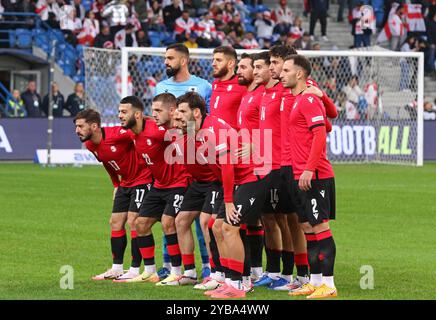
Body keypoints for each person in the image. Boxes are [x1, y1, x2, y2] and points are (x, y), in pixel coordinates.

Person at [176, 91, 268, 298]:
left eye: (183, 111)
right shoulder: (198, 131)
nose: (178, 115)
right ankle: (229, 281)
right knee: (216, 226)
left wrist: (228, 201)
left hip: (251, 177)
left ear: (196, 113)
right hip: (237, 180)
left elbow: (227, 166)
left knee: (228, 227)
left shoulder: (211, 130)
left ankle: (238, 285)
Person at [280, 54, 338, 299]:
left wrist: (309, 168)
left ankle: (329, 284)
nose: (281, 74)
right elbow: (329, 123)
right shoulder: (298, 99)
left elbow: (320, 135)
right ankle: (314, 282)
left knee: (320, 227)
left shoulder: (308, 100)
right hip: (298, 174)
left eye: (285, 70)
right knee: (307, 227)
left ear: (300, 74)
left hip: (314, 175)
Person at [154, 43, 213, 280]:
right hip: (172, 158)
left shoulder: (203, 86)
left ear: (184, 60)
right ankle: (170, 265)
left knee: (201, 220)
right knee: (171, 216)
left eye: (170, 58)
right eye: (165, 58)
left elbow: (205, 119)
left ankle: (209, 265)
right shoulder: (161, 86)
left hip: (196, 156)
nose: (166, 62)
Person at [74, 108, 153, 282]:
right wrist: (116, 184)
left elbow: (138, 133)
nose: (77, 130)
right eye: (76, 126)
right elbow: (107, 163)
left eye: (80, 126)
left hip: (142, 179)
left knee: (134, 221)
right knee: (115, 222)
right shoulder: (90, 144)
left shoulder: (118, 134)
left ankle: (134, 269)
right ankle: (117, 268)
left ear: (94, 126)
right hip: (125, 183)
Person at [119, 95, 190, 285]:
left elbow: (187, 133)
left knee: (168, 222)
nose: (154, 114)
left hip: (178, 183)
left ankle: (177, 271)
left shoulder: (157, 132)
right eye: (154, 111)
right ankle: (149, 271)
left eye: (158, 110)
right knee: (139, 224)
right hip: (159, 185)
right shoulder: (133, 134)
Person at [209, 46, 247, 130]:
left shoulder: (242, 85)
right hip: (214, 138)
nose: (213, 64)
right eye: (213, 60)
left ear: (231, 63)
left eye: (218, 60)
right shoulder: (215, 84)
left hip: (233, 139)